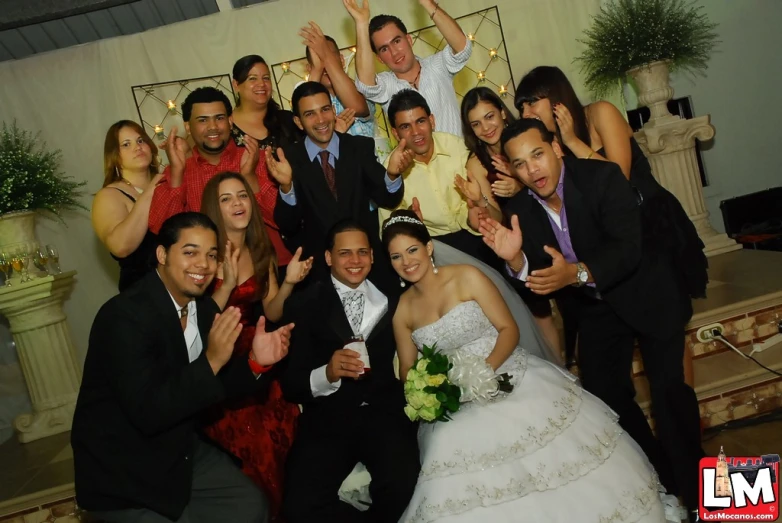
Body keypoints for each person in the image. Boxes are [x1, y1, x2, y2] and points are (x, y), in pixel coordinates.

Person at [382, 209, 680, 522]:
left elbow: (508, 329)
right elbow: (407, 371)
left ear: (428, 247)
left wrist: (483, 371)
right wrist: (430, 386)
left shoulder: (467, 276)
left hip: (506, 375)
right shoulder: (403, 310)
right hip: (455, 403)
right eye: (396, 257)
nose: (406, 262)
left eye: (412, 250)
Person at [479, 118, 704, 518]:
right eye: (520, 164)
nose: (533, 169)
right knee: (605, 396)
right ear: (512, 170)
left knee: (671, 398)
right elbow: (540, 281)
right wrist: (515, 258)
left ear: (556, 149)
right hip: (598, 308)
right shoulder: (520, 211)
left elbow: (627, 248)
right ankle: (662, 481)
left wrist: (577, 272)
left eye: (538, 154)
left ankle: (706, 499)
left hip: (649, 292)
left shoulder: (602, 177)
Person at [72, 212, 294, 523]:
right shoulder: (123, 317)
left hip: (180, 452)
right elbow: (149, 412)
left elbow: (219, 383)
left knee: (250, 504)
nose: (203, 264)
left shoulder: (201, 309)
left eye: (211, 255)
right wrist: (213, 359)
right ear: (162, 255)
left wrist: (256, 362)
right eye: (190, 252)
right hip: (123, 470)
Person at [516, 65, 707, 384]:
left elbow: (620, 179)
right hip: (615, 244)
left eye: (531, 102)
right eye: (521, 107)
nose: (525, 112)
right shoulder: (548, 146)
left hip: (652, 227)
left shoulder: (600, 113)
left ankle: (684, 411)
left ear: (556, 97)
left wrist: (574, 142)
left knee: (667, 328)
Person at [280, 220, 420, 523]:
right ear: (329, 257)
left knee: (405, 486)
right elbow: (291, 384)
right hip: (327, 420)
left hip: (385, 414)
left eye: (362, 253)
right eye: (345, 253)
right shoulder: (303, 305)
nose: (354, 261)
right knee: (299, 506)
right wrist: (326, 373)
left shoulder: (396, 299)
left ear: (372, 256)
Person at [199, 172, 313, 522]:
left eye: (243, 196)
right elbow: (200, 321)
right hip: (222, 357)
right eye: (226, 198)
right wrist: (227, 283)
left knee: (280, 445)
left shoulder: (260, 249)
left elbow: (272, 311)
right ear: (214, 208)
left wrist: (290, 283)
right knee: (247, 451)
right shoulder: (203, 254)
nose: (237, 203)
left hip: (260, 352)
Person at [268, 81, 413, 288]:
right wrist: (286, 187)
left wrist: (391, 174)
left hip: (368, 265)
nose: (320, 120)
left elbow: (388, 199)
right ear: (298, 122)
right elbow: (288, 225)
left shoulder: (359, 147)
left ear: (333, 110)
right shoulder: (289, 159)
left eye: (325, 109)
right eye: (310, 114)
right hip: (320, 275)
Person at [459, 87, 563, 361]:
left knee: (573, 306)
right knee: (540, 314)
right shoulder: (476, 162)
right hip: (518, 242)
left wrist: (519, 184)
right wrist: (480, 200)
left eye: (490, 116)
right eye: (476, 123)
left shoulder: (525, 139)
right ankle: (562, 375)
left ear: (503, 112)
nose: (486, 127)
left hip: (555, 226)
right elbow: (494, 218)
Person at [149, 87, 293, 271]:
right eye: (202, 120)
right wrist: (177, 177)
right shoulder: (179, 170)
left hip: (271, 270)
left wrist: (250, 178)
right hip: (208, 277)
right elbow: (163, 232)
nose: (213, 127)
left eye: (219, 118)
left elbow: (283, 221)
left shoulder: (256, 159)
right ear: (187, 127)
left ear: (230, 121)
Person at [378, 89, 496, 267]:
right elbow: (385, 233)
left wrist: (479, 207)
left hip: (476, 236)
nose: (416, 132)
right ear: (395, 133)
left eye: (420, 121)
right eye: (405, 127)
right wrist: (408, 223)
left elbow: (489, 203)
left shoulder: (459, 148)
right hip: (431, 250)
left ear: (432, 121)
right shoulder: (391, 172)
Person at [344, 0, 472, 137]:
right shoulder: (386, 85)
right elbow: (365, 85)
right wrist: (362, 24)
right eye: (384, 49)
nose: (394, 52)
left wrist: (428, 3)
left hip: (460, 157)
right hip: (414, 159)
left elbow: (462, 48)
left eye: (397, 41)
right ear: (379, 58)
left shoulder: (437, 65)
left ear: (409, 40)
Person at [92, 120, 162, 291]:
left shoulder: (169, 184)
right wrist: (152, 189)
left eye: (140, 140)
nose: (137, 147)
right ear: (115, 156)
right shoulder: (109, 196)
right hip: (144, 291)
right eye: (126, 144)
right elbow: (120, 246)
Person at [300, 24, 376, 138]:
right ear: (309, 69)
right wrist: (316, 70)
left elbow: (358, 108)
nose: (325, 64)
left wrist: (326, 58)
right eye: (320, 59)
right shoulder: (302, 96)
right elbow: (305, 131)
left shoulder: (361, 86)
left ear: (342, 60)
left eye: (330, 56)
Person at [230, 55, 302, 151]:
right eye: (252, 78)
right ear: (236, 85)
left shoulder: (287, 121)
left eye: (266, 78)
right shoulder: (226, 127)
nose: (261, 84)